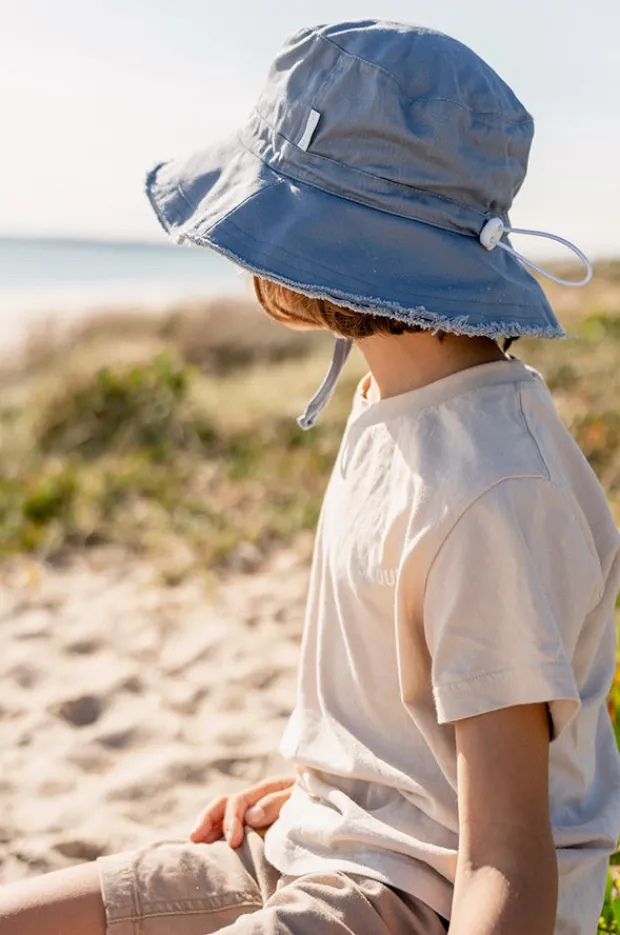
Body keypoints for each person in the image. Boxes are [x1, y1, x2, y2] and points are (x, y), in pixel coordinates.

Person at [2, 19, 619, 935]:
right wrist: (328, 783)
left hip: (412, 897)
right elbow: (427, 717)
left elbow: (505, 858)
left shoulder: (493, 493)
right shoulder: (394, 397)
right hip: (323, 844)